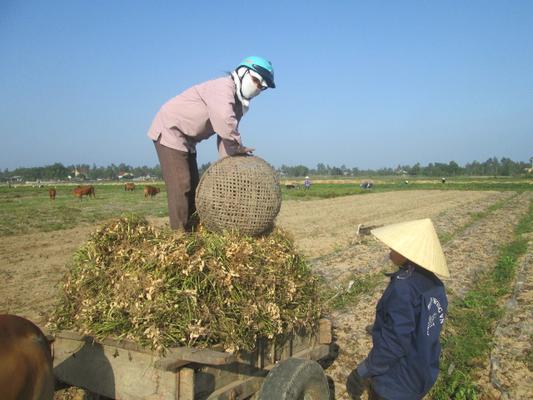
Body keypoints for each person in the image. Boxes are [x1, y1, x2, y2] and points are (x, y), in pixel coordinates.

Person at [147, 56, 275, 231]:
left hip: (188, 141)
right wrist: (238, 147)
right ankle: (179, 237)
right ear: (242, 72)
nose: (257, 88)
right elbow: (224, 122)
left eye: (262, 87)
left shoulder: (238, 105)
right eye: (256, 81)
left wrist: (231, 168)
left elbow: (225, 141)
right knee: (181, 185)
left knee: (194, 187)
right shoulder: (223, 87)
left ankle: (194, 230)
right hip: (170, 130)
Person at [347, 218, 449, 400]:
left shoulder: (404, 288)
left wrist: (363, 371)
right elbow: (421, 323)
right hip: (422, 372)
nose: (390, 251)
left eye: (394, 248)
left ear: (408, 253)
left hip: (397, 383)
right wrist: (384, 326)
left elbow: (394, 343)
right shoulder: (435, 285)